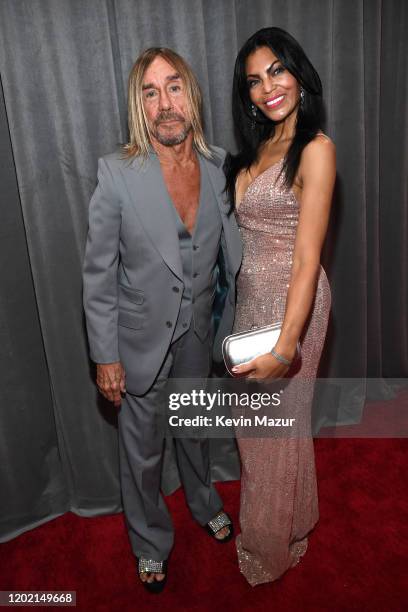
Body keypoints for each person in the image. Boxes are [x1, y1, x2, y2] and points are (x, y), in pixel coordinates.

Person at [82, 47, 242, 593]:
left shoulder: (222, 166)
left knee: (195, 431)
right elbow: (98, 272)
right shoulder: (117, 173)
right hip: (138, 341)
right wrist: (105, 356)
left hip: (200, 331)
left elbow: (232, 259)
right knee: (142, 453)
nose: (164, 103)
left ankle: (202, 502)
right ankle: (150, 541)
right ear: (138, 106)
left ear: (191, 97)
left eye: (173, 87)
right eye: (149, 93)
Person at [224, 27, 335, 586]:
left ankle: (266, 546)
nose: (267, 87)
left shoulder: (315, 149)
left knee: (271, 431)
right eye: (254, 80)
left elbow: (307, 258)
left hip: (294, 304)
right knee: (266, 430)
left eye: (276, 70)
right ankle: (295, 518)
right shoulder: (256, 150)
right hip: (252, 301)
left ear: (298, 71)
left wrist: (286, 347)